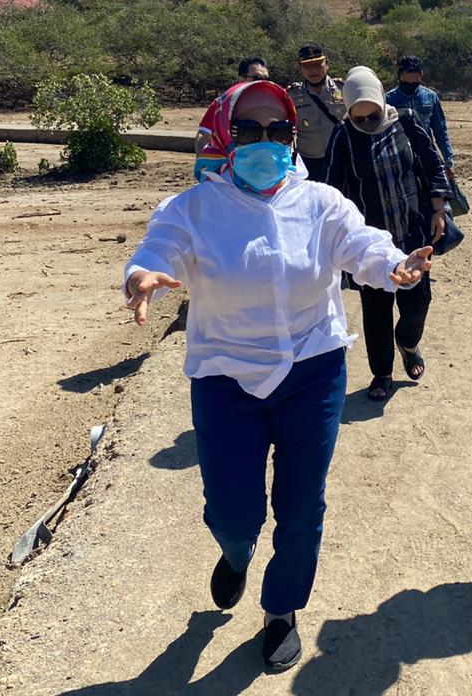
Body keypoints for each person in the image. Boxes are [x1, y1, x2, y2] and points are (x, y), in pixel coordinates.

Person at [124, 79, 433, 671]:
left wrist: (393, 265)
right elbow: (157, 249)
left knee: (301, 505)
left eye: (278, 130)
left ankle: (282, 609)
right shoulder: (192, 209)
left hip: (312, 371)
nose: (265, 141)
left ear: (294, 138)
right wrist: (142, 276)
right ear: (223, 136)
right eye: (248, 130)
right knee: (234, 509)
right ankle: (236, 551)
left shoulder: (321, 203)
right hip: (224, 378)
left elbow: (360, 243)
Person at [323, 66, 450, 402]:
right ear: (349, 112)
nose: (367, 123)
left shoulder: (406, 121)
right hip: (370, 243)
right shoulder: (343, 136)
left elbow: (432, 163)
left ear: (381, 100)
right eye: (359, 117)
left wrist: (439, 209)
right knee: (375, 308)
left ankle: (408, 342)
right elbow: (332, 189)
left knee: (418, 300)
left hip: (412, 233)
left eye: (373, 115)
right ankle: (382, 372)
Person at [385, 55, 455, 178]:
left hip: (427, 154)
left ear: (421, 76)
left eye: (414, 83)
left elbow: (440, 131)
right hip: (400, 156)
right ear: (399, 76)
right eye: (406, 83)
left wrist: (448, 160)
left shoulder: (431, 97)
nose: (410, 86)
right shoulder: (387, 100)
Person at [287, 42, 346, 181]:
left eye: (318, 64)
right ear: (300, 68)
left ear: (327, 63)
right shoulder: (292, 96)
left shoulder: (343, 89)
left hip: (342, 159)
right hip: (309, 162)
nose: (313, 70)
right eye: (307, 65)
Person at [194, 56, 272, 158]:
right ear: (241, 79)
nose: (263, 83)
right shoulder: (221, 104)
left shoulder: (274, 108)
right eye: (257, 78)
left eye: (267, 79)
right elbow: (204, 135)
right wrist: (202, 162)